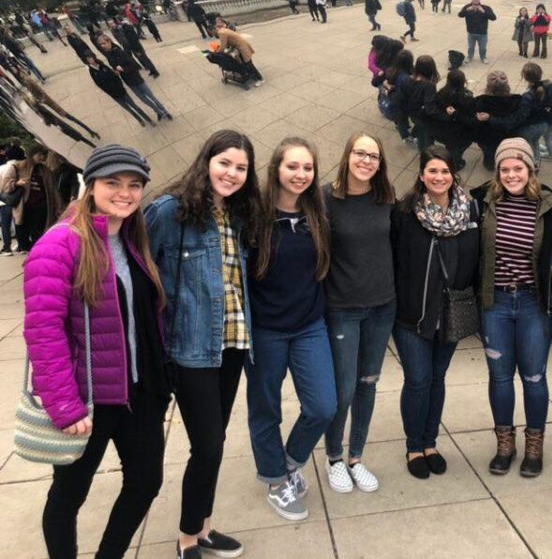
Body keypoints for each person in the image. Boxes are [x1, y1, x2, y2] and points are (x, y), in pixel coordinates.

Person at [23, 145, 170, 559]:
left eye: (134, 184)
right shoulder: (59, 244)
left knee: (145, 483)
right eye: (113, 183)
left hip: (137, 393)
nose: (124, 192)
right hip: (87, 400)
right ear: (90, 185)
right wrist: (64, 406)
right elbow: (42, 331)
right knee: (68, 496)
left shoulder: (131, 236)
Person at [145, 130, 262, 559]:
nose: (232, 173)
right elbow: (144, 278)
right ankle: (188, 537)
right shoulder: (170, 211)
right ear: (206, 161)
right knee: (208, 444)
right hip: (190, 348)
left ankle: (205, 527)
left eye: (241, 168)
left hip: (231, 344)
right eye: (225, 163)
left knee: (214, 443)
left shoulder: (237, 214)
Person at [245, 137, 337, 521]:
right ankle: (275, 480)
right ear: (276, 170)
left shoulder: (317, 216)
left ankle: (288, 461)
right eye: (292, 167)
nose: (300, 174)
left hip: (309, 328)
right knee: (266, 409)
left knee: (323, 407)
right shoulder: (253, 219)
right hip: (266, 331)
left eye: (307, 168)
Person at [471, 138, 552, 477]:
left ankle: (534, 444)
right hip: (495, 302)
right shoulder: (483, 200)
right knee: (500, 376)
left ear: (530, 169)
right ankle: (504, 443)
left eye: (517, 168)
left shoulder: (550, 205)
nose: (511, 175)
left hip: (531, 302)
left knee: (534, 376)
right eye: (504, 169)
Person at [391, 145, 480, 479]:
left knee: (438, 379)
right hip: (412, 314)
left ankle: (431, 443)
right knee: (418, 380)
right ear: (421, 174)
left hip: (452, 311)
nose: (439, 177)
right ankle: (414, 447)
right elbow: (394, 259)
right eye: (432, 171)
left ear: (453, 174)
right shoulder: (404, 212)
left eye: (445, 171)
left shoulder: (470, 210)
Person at [323, 133, 397, 494]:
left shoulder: (385, 198)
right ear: (347, 155)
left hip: (382, 307)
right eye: (360, 153)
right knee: (343, 388)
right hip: (342, 309)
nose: (367, 161)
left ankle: (355, 456)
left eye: (374, 155)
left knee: (368, 384)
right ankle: (334, 456)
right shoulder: (326, 199)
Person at [96, 34, 172, 121]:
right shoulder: (108, 55)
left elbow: (133, 65)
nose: (103, 46)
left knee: (151, 96)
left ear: (109, 41)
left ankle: (165, 112)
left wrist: (123, 69)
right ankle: (158, 111)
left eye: (104, 43)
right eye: (101, 45)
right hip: (128, 81)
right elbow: (114, 66)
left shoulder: (119, 51)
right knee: (143, 99)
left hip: (136, 79)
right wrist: (116, 71)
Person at [2, 145, 59, 252]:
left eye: (43, 155)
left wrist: (57, 205)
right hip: (25, 206)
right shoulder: (18, 166)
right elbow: (5, 186)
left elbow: (52, 189)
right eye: (39, 155)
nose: (42, 157)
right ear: (32, 155)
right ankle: (28, 250)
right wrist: (16, 183)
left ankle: (36, 252)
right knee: (23, 231)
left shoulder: (44, 170)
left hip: (41, 206)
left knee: (38, 232)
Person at [84, 53, 155, 127]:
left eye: (91, 58)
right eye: (88, 60)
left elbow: (115, 75)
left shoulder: (103, 66)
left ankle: (148, 120)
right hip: (114, 95)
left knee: (134, 106)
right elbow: (99, 85)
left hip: (121, 90)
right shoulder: (92, 71)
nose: (90, 60)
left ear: (94, 58)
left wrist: (120, 85)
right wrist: (110, 92)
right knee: (128, 109)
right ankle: (139, 120)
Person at [458, 0, 497, 64]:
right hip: (471, 32)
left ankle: (483, 57)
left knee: (482, 48)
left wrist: (483, 12)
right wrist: (466, 10)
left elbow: (494, 18)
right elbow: (460, 15)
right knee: (471, 47)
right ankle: (469, 57)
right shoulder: (467, 6)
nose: (475, 0)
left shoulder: (486, 8)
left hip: (482, 33)